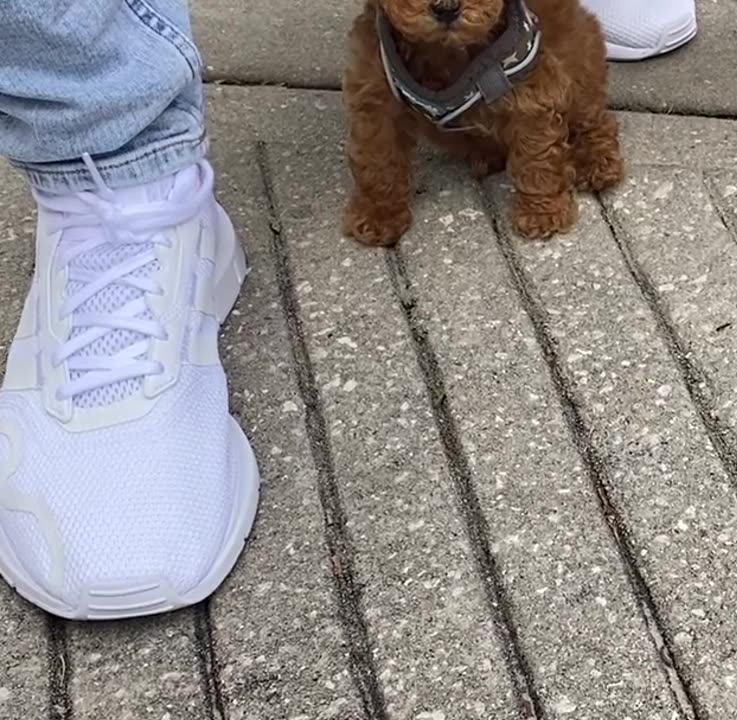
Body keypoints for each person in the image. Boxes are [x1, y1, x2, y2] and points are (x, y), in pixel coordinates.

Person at [0, 0, 696, 622]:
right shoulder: (378, 46)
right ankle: (117, 162)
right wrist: (381, 199)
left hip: (533, 61)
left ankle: (594, 135)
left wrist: (548, 183)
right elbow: (373, 120)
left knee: (554, 101)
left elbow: (542, 111)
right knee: (384, 107)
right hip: (418, 88)